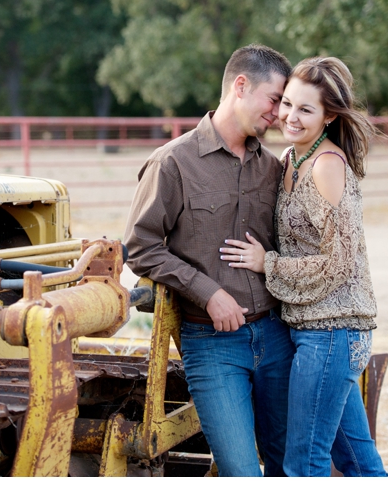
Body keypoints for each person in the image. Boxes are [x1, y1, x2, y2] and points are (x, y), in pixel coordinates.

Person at [124, 44, 295, 477]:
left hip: (275, 335)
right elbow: (141, 246)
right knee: (241, 471)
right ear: (241, 86)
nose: (278, 113)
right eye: (274, 99)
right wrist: (208, 291)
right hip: (212, 345)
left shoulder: (273, 169)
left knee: (289, 466)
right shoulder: (172, 163)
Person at [219, 56, 388, 477]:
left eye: (306, 109)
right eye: (287, 103)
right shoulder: (291, 159)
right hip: (312, 330)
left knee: (304, 463)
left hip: (332, 331)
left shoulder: (326, 166)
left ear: (329, 116)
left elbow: (339, 263)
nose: (290, 117)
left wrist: (268, 264)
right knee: (356, 461)